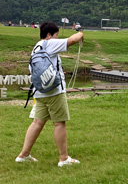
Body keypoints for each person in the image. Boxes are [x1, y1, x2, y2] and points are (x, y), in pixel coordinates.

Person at [16, 21, 84, 166]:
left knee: (37, 122)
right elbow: (72, 40)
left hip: (39, 92)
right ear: (49, 35)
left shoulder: (36, 47)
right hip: (54, 92)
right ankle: (64, 158)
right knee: (59, 123)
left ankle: (24, 155)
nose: (57, 38)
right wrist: (80, 33)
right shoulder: (50, 44)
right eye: (56, 35)